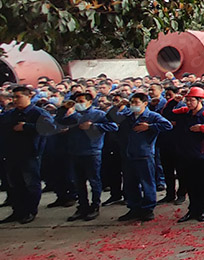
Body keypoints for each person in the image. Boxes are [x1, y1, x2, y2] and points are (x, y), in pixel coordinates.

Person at [56, 91, 118, 222]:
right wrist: (63, 108)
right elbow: (58, 121)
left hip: (92, 151)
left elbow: (112, 126)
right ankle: (82, 206)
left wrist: (93, 126)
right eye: (77, 102)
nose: (79, 104)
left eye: (81, 101)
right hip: (75, 152)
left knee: (94, 180)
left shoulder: (98, 114)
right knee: (79, 182)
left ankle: (95, 206)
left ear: (90, 102)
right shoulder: (74, 116)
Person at [0, 86, 56, 224]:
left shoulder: (38, 113)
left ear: (28, 96)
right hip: (11, 153)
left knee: (30, 183)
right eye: (13, 97)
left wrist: (26, 127)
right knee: (14, 184)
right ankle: (18, 211)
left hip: (30, 153)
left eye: (18, 97)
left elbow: (50, 128)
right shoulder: (10, 114)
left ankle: (30, 211)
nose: (15, 100)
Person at [170, 87, 204, 223]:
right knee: (190, 184)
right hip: (186, 154)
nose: (188, 103)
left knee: (202, 185)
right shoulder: (185, 112)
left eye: (191, 100)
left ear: (200, 100)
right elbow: (168, 114)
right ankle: (192, 210)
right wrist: (173, 101)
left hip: (202, 156)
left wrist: (202, 128)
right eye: (187, 100)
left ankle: (202, 211)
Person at [114, 92, 172, 222]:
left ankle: (148, 208)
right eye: (132, 103)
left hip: (144, 154)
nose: (133, 105)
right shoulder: (128, 116)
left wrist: (150, 127)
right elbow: (112, 118)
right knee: (130, 183)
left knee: (147, 182)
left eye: (136, 103)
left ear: (145, 103)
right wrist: (118, 106)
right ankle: (134, 207)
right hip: (128, 154)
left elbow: (167, 125)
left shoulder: (151, 116)